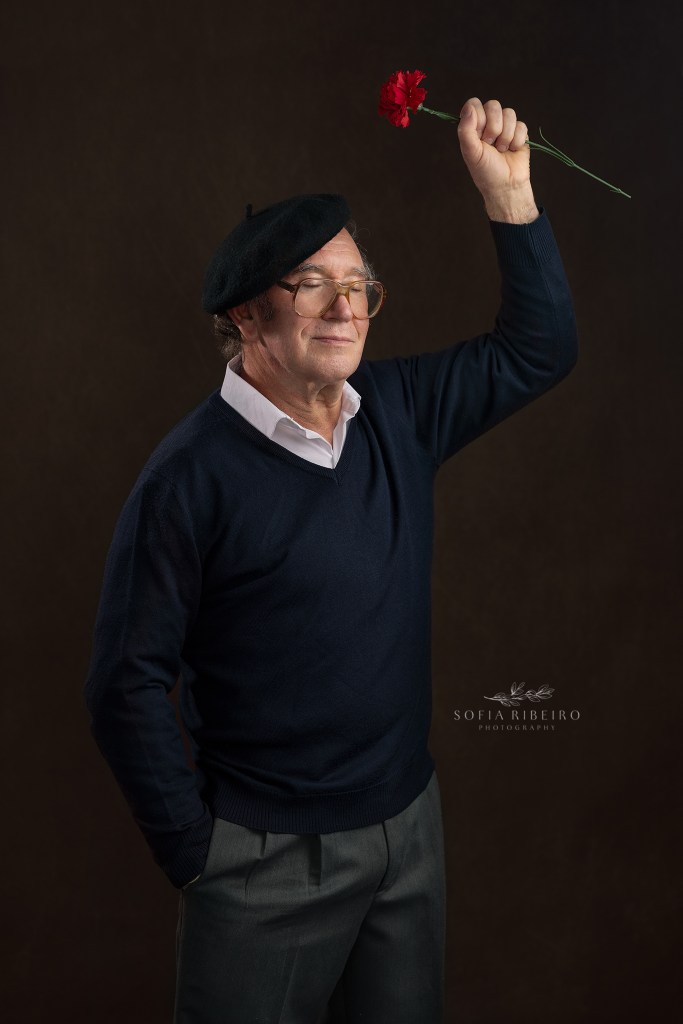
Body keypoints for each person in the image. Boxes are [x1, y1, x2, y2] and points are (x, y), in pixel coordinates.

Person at [85, 97, 578, 1023]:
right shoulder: (188, 480)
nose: (347, 306)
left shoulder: (395, 409)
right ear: (246, 313)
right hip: (262, 863)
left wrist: (507, 193)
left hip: (407, 838)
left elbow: (539, 350)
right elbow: (123, 680)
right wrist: (198, 854)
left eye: (357, 285)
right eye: (313, 284)